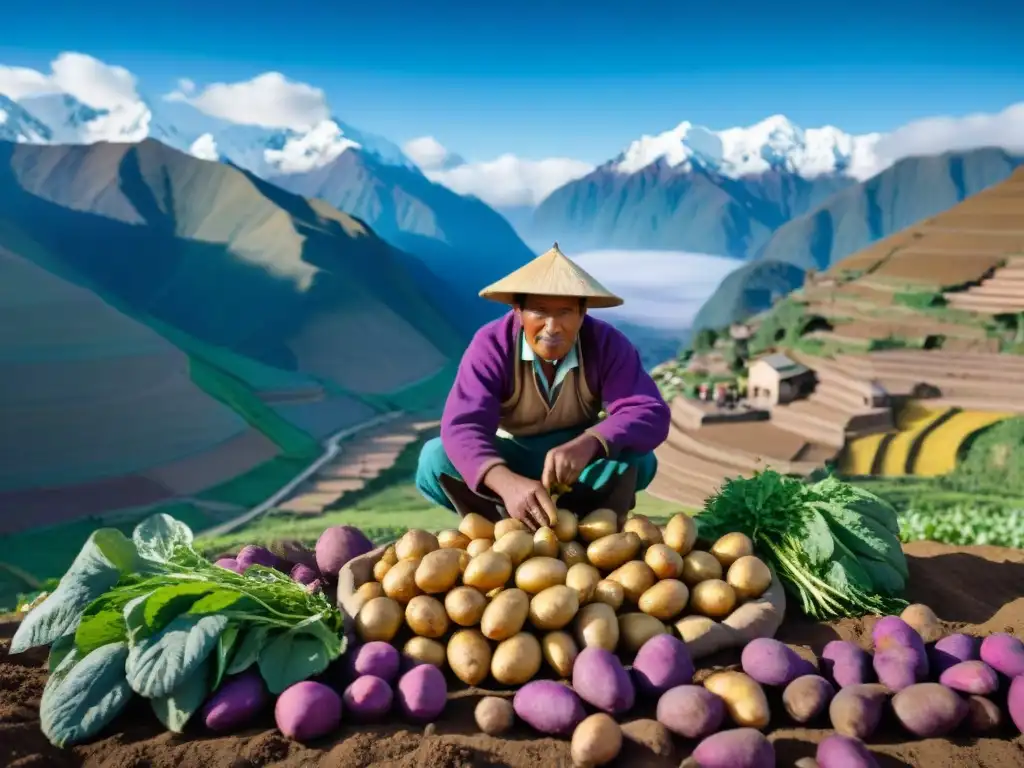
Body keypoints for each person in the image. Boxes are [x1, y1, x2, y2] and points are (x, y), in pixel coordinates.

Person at [415, 243, 671, 530]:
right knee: (434, 459)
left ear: (582, 312)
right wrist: (505, 482)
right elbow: (463, 425)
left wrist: (591, 443)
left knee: (641, 459)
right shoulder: (492, 345)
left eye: (565, 312)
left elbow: (648, 411)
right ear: (518, 311)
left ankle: (594, 527)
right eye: (539, 311)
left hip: (578, 468)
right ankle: (500, 523)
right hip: (510, 458)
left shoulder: (606, 344)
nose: (552, 327)